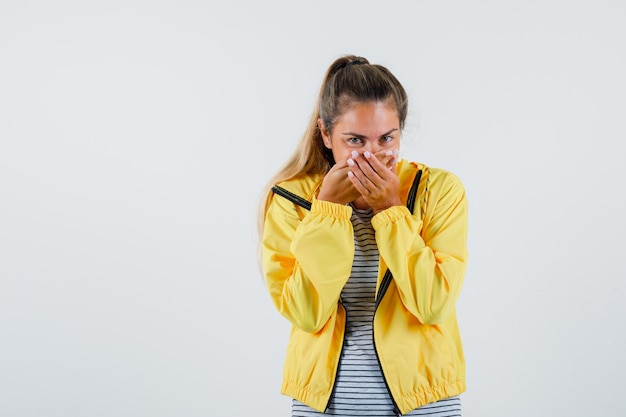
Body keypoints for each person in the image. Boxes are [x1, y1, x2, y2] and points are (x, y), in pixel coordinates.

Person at [258, 55, 468, 417]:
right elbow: (306, 315)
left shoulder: (439, 191)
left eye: (387, 138)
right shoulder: (291, 200)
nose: (372, 155)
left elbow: (433, 304)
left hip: (423, 403)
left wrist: (390, 210)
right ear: (325, 134)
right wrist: (326, 211)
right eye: (355, 140)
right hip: (323, 406)